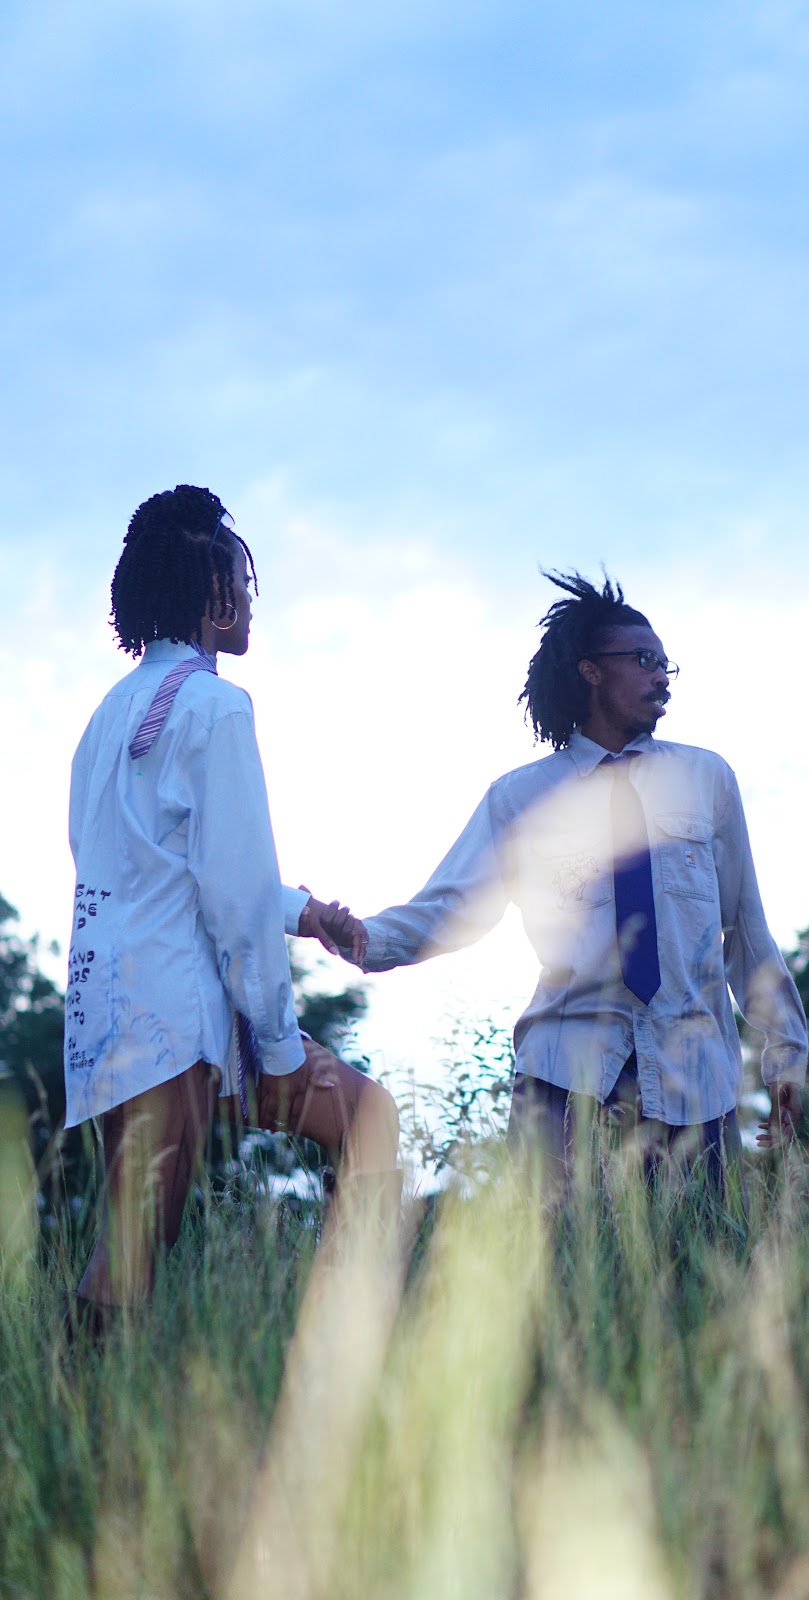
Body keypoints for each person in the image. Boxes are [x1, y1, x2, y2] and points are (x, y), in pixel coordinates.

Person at [329, 571, 807, 1193]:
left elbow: (745, 929)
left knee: (696, 1271)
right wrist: (362, 936)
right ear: (590, 671)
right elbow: (450, 909)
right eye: (643, 660)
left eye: (667, 664)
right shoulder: (521, 796)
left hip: (695, 1081)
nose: (661, 676)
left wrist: (785, 1053)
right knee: (555, 1272)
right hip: (562, 1074)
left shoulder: (706, 779)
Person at [64, 484, 399, 1326]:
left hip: (112, 1008)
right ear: (215, 598)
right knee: (137, 1251)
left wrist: (302, 910)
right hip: (179, 1014)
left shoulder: (107, 716)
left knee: (138, 1242)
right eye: (244, 587)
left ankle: (335, 1344)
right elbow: (234, 897)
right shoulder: (217, 706)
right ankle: (333, 1349)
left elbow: (164, 867)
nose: (252, 601)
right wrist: (280, 1046)